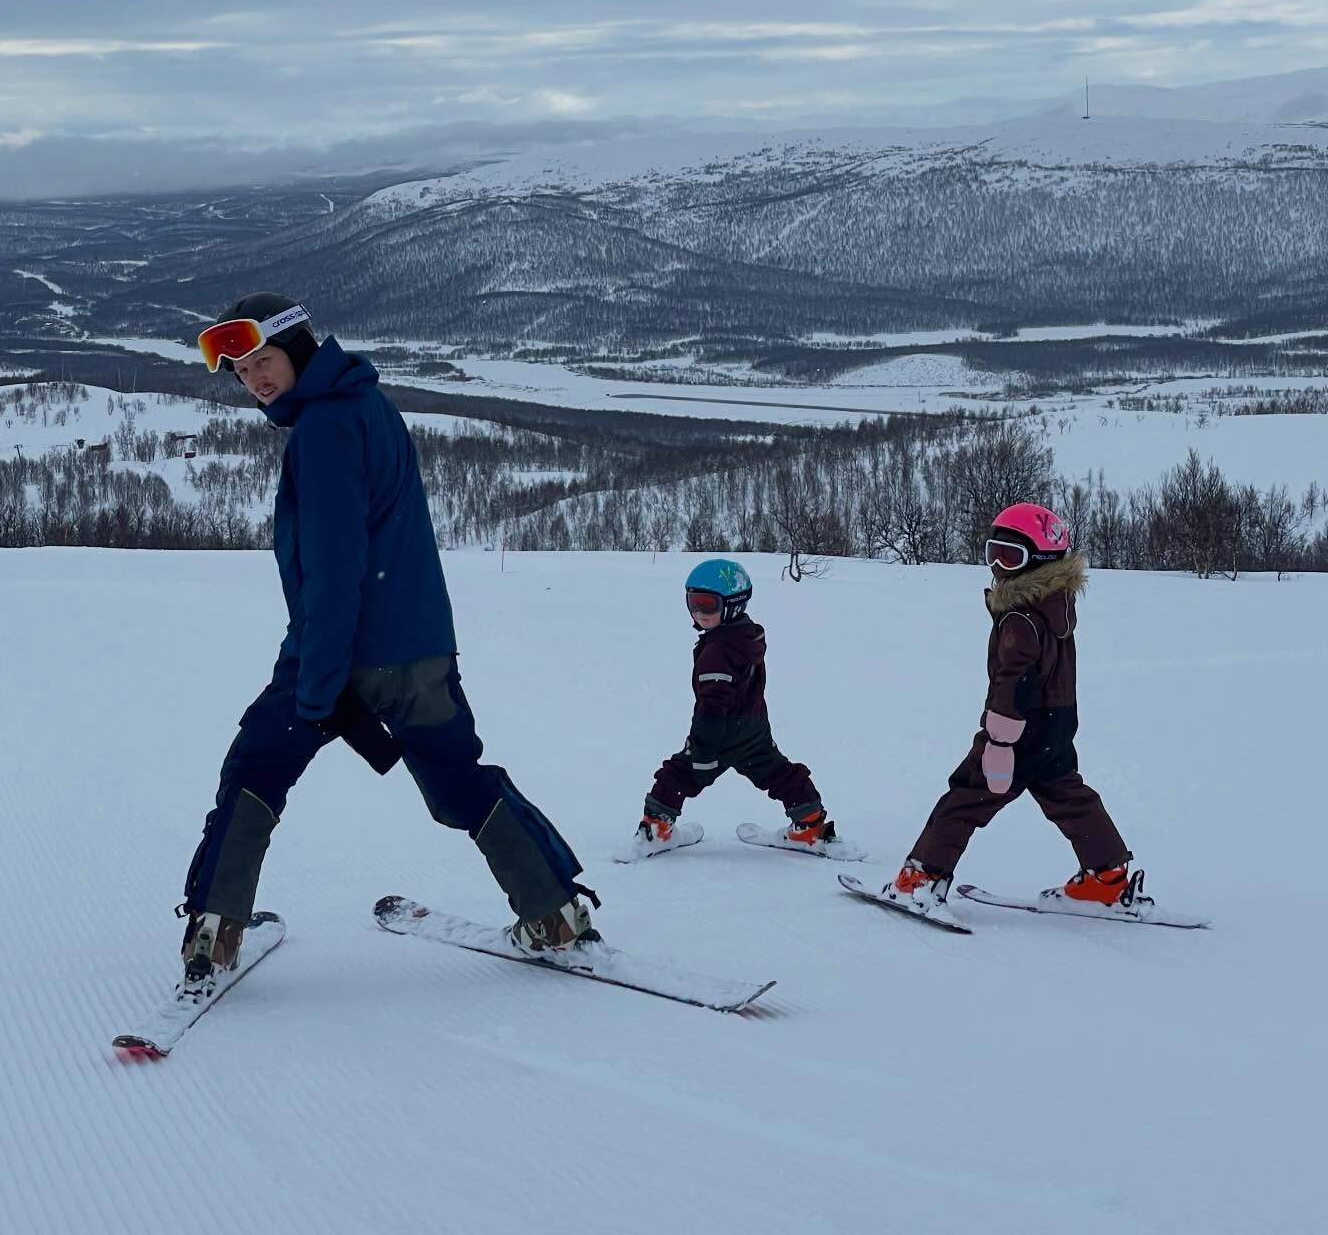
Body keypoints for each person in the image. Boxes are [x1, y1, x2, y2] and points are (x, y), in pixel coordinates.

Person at [179, 292, 598, 989]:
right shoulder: (369, 404)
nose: (255, 379)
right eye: (243, 371)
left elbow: (335, 567)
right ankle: (553, 914)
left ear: (301, 350)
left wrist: (318, 687)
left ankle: (216, 936)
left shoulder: (320, 431)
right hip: (420, 648)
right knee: (460, 779)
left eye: (265, 361)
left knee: (255, 772)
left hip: (340, 647)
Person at [885, 502, 1143, 913]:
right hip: (1057, 722)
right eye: (993, 552)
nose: (999, 565)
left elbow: (1014, 682)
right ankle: (1106, 877)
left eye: (1011, 555)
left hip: (1019, 728)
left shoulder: (1020, 617)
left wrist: (1000, 743)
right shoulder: (1055, 603)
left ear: (1038, 562)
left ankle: (922, 878)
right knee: (1065, 793)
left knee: (967, 796)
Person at [633, 558, 841, 851]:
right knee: (777, 772)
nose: (698, 612)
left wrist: (703, 748)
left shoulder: (717, 651)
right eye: (692, 602)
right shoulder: (745, 635)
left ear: (732, 604)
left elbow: (712, 704)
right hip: (752, 726)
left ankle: (656, 830)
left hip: (721, 730)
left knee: (677, 773)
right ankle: (810, 824)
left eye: (707, 605)